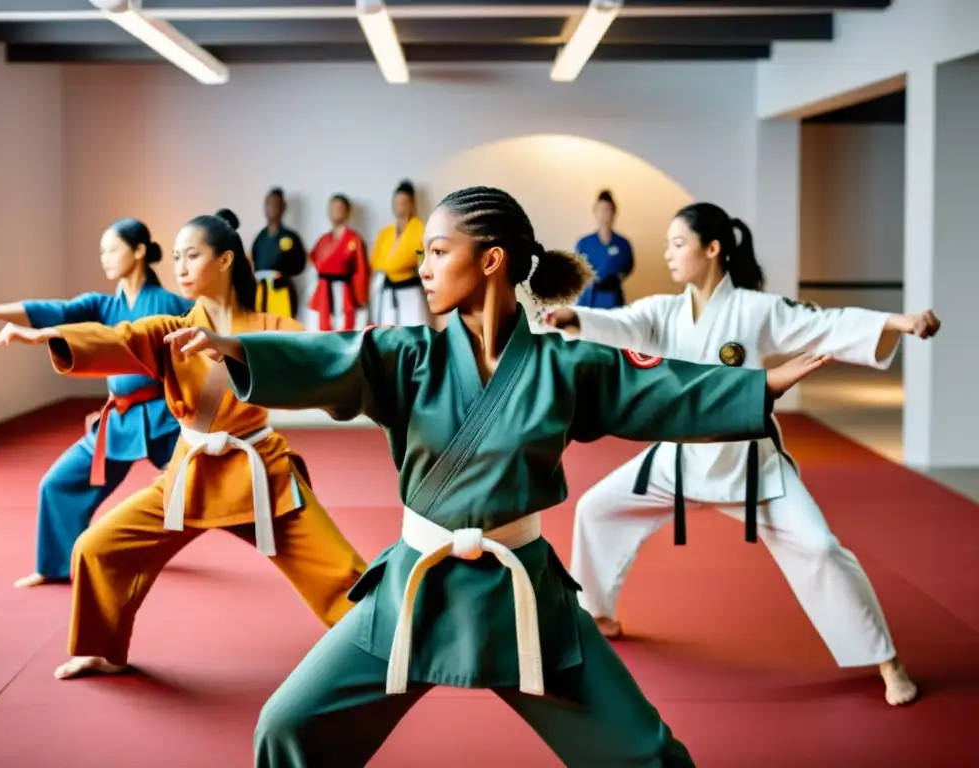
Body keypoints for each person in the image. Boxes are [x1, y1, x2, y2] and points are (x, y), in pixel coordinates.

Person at [168, 187, 830, 767]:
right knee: (289, 727)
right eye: (422, 254)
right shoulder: (411, 357)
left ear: (490, 261)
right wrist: (241, 348)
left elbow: (658, 386)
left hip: (523, 598)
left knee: (645, 753)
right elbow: (340, 352)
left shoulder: (564, 367)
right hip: (414, 591)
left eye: (436, 251)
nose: (421, 269)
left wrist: (759, 386)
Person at [545, 201, 940, 708]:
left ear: (713, 249)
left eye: (678, 243)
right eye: (667, 244)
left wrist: (899, 321)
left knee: (820, 548)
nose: (668, 253)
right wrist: (573, 316)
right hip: (678, 460)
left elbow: (826, 323)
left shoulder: (754, 310)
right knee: (596, 508)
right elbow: (620, 324)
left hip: (751, 468)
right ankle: (597, 612)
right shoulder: (665, 311)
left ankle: (886, 660)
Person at [0, 209, 366, 680]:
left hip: (261, 477)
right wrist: (51, 334)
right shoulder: (168, 329)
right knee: (97, 547)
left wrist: (234, 346)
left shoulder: (271, 325)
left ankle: (385, 647)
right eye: (175, 257)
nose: (181, 267)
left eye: (193, 255)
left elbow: (321, 353)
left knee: (343, 573)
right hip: (190, 475)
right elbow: (119, 339)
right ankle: (101, 649)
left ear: (227, 260)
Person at [0, 218, 191, 588]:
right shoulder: (104, 305)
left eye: (112, 249)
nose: (105, 258)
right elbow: (54, 311)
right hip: (120, 418)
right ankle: (56, 565)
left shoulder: (170, 304)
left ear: (140, 251)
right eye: (101, 251)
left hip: (167, 419)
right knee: (57, 483)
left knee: (212, 483)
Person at [369, 179, 429, 327]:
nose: (399, 207)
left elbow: (422, 259)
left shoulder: (420, 229)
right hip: (387, 290)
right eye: (396, 203)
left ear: (411, 204)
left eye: (403, 202)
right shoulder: (385, 232)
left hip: (410, 290)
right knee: (387, 333)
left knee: (413, 331)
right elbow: (376, 262)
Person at [307, 194, 370, 331]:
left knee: (345, 329)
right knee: (320, 330)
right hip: (323, 292)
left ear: (347, 211)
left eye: (339, 208)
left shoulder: (354, 240)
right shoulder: (322, 240)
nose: (335, 211)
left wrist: (360, 299)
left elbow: (361, 271)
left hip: (345, 293)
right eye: (332, 208)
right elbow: (314, 267)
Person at [251, 187, 307, 319]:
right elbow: (254, 262)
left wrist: (282, 275)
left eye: (276, 204)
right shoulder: (260, 238)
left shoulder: (291, 237)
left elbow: (300, 265)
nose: (272, 208)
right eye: (268, 204)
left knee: (283, 329)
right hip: (262, 290)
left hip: (282, 291)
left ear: (283, 207)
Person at [574, 189, 634, 309]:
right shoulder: (584, 244)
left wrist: (614, 279)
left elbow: (628, 267)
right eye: (601, 209)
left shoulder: (623, 244)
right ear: (595, 211)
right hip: (589, 301)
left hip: (614, 303)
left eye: (608, 209)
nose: (604, 214)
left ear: (614, 211)